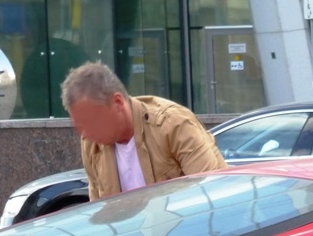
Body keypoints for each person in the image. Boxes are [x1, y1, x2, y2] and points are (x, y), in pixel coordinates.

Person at [60, 61, 228, 201]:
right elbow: (99, 209)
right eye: (80, 125)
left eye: (92, 121)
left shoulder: (173, 124)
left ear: (117, 102)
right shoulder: (90, 144)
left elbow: (211, 194)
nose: (86, 133)